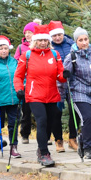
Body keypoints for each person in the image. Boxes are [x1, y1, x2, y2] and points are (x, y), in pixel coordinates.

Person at [13, 24, 66, 167]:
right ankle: (44, 153)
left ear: (48, 41)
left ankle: (41, 147)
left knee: (50, 122)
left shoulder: (55, 55)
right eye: (40, 40)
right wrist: (19, 89)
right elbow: (18, 76)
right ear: (35, 41)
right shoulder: (27, 55)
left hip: (52, 94)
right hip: (34, 94)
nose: (43, 43)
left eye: (45, 40)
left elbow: (60, 76)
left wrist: (65, 75)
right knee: (42, 121)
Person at [62, 28, 91, 160]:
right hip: (79, 92)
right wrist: (65, 74)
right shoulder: (71, 56)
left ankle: (82, 140)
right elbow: (64, 76)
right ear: (76, 41)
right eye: (80, 40)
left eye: (85, 39)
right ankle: (88, 149)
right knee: (87, 118)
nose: (84, 42)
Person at [48, 21, 77, 152]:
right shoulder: (49, 47)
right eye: (54, 36)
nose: (57, 38)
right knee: (56, 112)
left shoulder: (71, 44)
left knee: (74, 110)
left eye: (59, 35)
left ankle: (73, 138)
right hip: (57, 83)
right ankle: (58, 140)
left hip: (72, 82)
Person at [14, 22, 38, 144]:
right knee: (26, 111)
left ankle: (44, 134)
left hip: (37, 82)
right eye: (26, 33)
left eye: (30, 32)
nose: (28, 35)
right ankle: (25, 134)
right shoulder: (20, 47)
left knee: (39, 111)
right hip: (25, 83)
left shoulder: (40, 45)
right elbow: (15, 62)